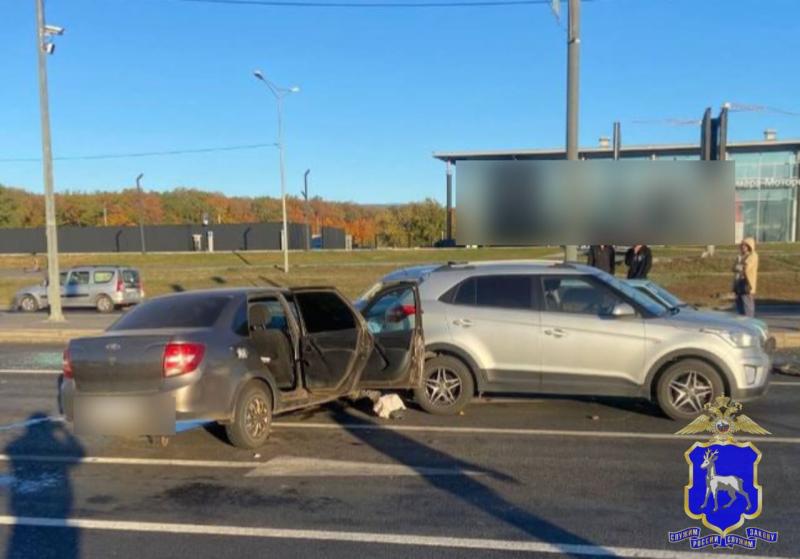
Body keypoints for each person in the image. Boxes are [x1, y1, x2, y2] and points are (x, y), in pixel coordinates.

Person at [733, 237, 758, 317]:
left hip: (747, 286)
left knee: (748, 310)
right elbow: (733, 268)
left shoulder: (753, 256)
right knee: (740, 310)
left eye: (745, 245)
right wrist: (739, 266)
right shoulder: (740, 256)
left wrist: (739, 266)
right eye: (742, 245)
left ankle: (749, 326)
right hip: (738, 285)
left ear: (750, 246)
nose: (743, 247)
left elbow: (746, 268)